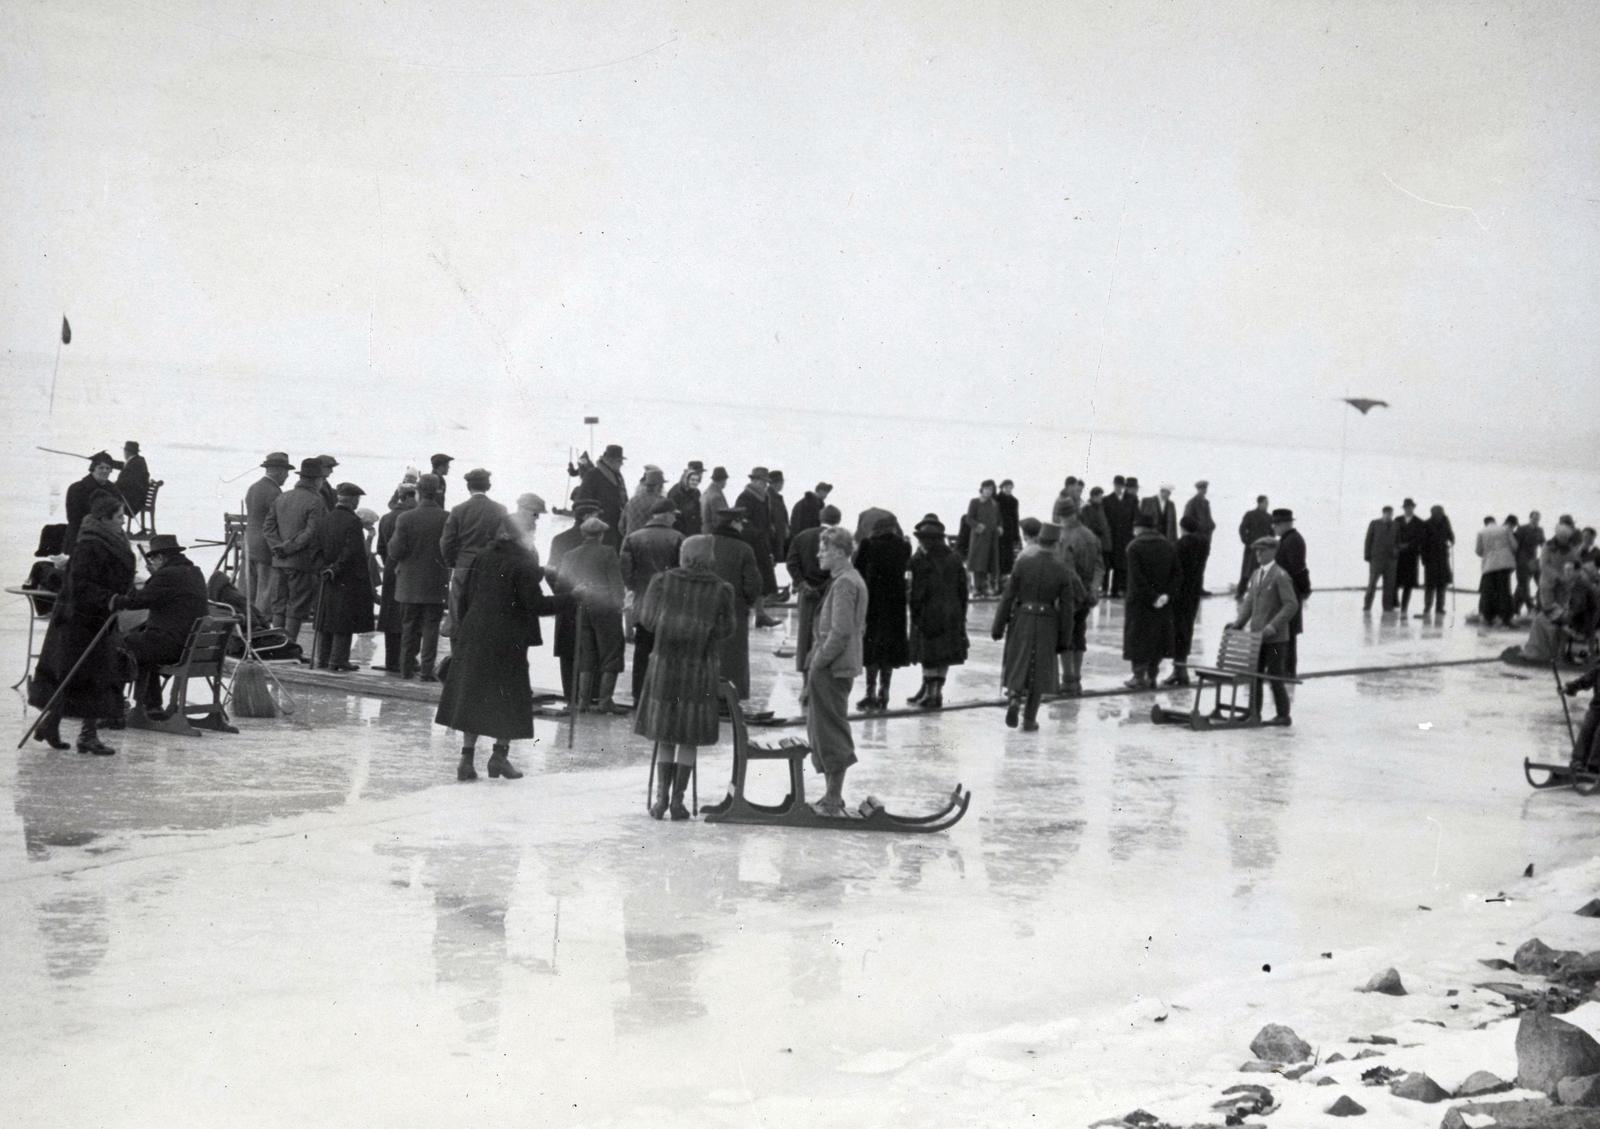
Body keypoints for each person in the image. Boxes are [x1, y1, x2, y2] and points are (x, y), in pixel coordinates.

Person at [435, 513, 563, 781]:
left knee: (473, 693)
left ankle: (466, 760)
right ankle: (499, 757)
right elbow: (536, 605)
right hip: (507, 640)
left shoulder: (482, 556)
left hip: (474, 634)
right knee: (510, 697)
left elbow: (465, 596)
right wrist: (571, 599)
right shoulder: (524, 562)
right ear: (524, 534)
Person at [636, 534, 737, 820]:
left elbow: (648, 620)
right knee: (689, 738)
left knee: (665, 735)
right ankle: (678, 801)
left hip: (665, 667)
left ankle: (660, 801)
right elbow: (726, 629)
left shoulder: (662, 582)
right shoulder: (721, 589)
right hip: (699, 668)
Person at [28, 493, 138, 755]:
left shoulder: (113, 539)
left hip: (97, 619)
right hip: (80, 623)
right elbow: (80, 585)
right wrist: (110, 598)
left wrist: (123, 594)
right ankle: (85, 735)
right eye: (120, 517)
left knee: (85, 677)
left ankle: (52, 726)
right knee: (87, 678)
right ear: (104, 518)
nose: (124, 521)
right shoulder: (90, 545)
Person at [801, 526, 868, 815]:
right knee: (827, 727)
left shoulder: (844, 584)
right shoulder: (847, 580)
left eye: (824, 549)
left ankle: (833, 795)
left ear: (840, 552)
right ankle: (831, 793)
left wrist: (818, 662)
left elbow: (840, 632)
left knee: (830, 730)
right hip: (836, 666)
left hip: (832, 667)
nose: (819, 554)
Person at [992, 519, 1078, 730]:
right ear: (1056, 543)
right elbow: (1067, 609)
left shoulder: (1023, 561)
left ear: (1039, 540)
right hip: (1048, 620)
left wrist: (998, 625)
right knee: (1040, 671)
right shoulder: (1062, 569)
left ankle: (1013, 697)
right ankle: (1029, 719)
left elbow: (1008, 596)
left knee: (1018, 660)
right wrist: (1064, 639)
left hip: (1022, 616)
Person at [117, 533, 208, 714]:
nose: (152, 564)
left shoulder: (167, 575)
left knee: (120, 645)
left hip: (172, 646)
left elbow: (135, 601)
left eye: (153, 559)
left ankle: (118, 704)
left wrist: (122, 587)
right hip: (192, 646)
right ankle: (152, 705)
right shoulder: (194, 572)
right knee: (141, 642)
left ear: (160, 557)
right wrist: (156, 577)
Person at [562, 516, 629, 713]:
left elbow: (562, 585)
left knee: (587, 653)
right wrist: (619, 605)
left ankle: (582, 701)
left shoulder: (570, 555)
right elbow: (616, 583)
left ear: (583, 534)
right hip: (605, 608)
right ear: (601, 535)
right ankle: (605, 701)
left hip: (581, 607)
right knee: (611, 653)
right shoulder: (607, 553)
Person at [620, 498, 684, 703]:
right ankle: (663, 696)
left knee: (642, 651)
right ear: (665, 515)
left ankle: (639, 695)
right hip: (669, 604)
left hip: (642, 602)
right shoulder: (679, 538)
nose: (675, 518)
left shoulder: (633, 537)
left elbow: (624, 570)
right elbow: (683, 571)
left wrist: (636, 587)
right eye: (673, 514)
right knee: (667, 652)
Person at [1232, 535, 1299, 725]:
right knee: (1254, 675)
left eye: (1262, 550)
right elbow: (1249, 602)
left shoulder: (1280, 575)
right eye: (1256, 551)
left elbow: (1291, 605)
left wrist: (1273, 626)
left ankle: (1283, 714)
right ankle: (1254, 712)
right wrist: (1239, 623)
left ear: (1272, 551)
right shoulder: (1256, 574)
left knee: (1275, 675)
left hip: (1276, 640)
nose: (1258, 554)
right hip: (1256, 637)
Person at [388, 473, 449, 680]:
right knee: (431, 628)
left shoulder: (405, 518)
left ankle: (405, 670)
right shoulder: (446, 517)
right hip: (435, 582)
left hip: (408, 583)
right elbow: (450, 551)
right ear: (438, 491)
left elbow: (395, 552)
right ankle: (426, 671)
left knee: (408, 628)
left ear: (418, 491)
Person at [907, 514, 970, 708]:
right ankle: (936, 693)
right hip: (952, 613)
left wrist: (915, 612)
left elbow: (917, 592)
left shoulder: (920, 561)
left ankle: (930, 694)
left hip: (929, 613)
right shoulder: (954, 558)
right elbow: (963, 589)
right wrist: (961, 612)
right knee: (944, 656)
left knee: (929, 656)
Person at [312, 483, 375, 672]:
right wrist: (336, 568)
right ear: (354, 500)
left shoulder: (325, 519)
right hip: (347, 577)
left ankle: (322, 659)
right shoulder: (353, 521)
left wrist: (324, 568)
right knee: (343, 620)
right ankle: (338, 660)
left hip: (326, 577)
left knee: (325, 618)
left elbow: (315, 548)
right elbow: (351, 550)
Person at [263, 457, 327, 645]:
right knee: (297, 605)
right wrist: (289, 548)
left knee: (279, 603)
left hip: (279, 560)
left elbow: (267, 527)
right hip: (301, 561)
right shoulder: (317, 501)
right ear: (317, 480)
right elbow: (312, 532)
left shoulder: (282, 496)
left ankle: (274, 644)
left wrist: (278, 548)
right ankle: (288, 645)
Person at [439, 467, 507, 635]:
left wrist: (452, 563)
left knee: (457, 615)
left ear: (469, 487)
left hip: (463, 566)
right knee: (487, 614)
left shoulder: (458, 510)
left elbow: (446, 542)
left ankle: (458, 658)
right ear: (488, 486)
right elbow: (504, 540)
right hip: (490, 568)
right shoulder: (500, 510)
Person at [853, 514, 911, 710]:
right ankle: (884, 692)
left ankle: (870, 692)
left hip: (874, 602)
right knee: (890, 647)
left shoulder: (868, 544)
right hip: (896, 604)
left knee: (873, 646)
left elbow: (857, 571)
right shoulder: (904, 546)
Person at [548, 500, 601, 703]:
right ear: (586, 517)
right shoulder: (598, 542)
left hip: (566, 602)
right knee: (591, 648)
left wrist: (562, 594)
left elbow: (550, 572)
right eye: (596, 515)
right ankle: (589, 696)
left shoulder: (559, 539)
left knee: (567, 651)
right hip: (592, 602)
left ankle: (570, 695)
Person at [707, 506, 762, 701]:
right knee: (733, 654)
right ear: (733, 523)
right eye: (740, 522)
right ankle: (729, 697)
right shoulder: (743, 548)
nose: (742, 526)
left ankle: (706, 692)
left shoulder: (704, 544)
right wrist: (747, 602)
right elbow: (752, 584)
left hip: (704, 605)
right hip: (733, 607)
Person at [1123, 511, 1179, 689]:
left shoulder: (1134, 547)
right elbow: (1177, 574)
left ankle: (1139, 676)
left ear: (1138, 527)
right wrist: (1165, 595)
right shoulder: (1168, 546)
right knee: (1157, 639)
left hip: (1140, 603)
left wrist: (1152, 597)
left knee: (1138, 638)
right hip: (1162, 603)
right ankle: (1153, 675)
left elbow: (1136, 579)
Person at [786, 503, 841, 676]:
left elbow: (791, 563)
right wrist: (824, 587)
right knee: (825, 635)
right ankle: (821, 676)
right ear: (838, 520)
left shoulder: (802, 536)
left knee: (805, 637)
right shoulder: (839, 539)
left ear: (820, 518)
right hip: (829, 593)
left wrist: (803, 585)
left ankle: (805, 679)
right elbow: (840, 567)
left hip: (807, 594)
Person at [1056, 499, 1101, 694]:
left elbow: (1068, 570)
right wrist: (1093, 590)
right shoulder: (1090, 535)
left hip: (1070, 595)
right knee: (1079, 635)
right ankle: (1077, 679)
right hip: (1088, 595)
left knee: (1066, 636)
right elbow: (1100, 566)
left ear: (1061, 515)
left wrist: (1082, 593)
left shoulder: (1065, 536)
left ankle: (1068, 680)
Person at [371, 481, 415, 672]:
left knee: (390, 616)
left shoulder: (386, 518)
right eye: (414, 496)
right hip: (408, 570)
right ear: (406, 497)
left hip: (390, 569)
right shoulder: (409, 518)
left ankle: (391, 661)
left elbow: (380, 548)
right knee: (408, 616)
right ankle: (407, 660)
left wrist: (389, 561)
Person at [244, 452, 292, 622]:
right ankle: (261, 627)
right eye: (286, 472)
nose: (287, 476)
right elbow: (278, 522)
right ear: (278, 471)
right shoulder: (274, 492)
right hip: (266, 547)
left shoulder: (254, 487)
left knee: (250, 590)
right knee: (266, 591)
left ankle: (248, 624)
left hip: (250, 544)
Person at [736, 467, 783, 627]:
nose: (765, 485)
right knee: (754, 578)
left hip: (762, 543)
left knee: (762, 579)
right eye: (764, 481)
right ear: (755, 480)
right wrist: (756, 533)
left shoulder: (763, 497)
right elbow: (742, 520)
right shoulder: (746, 497)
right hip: (751, 544)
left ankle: (760, 615)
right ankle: (757, 614)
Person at [1166, 514, 1208, 686]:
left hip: (1179, 592)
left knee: (1177, 631)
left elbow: (1173, 569)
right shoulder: (1204, 543)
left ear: (1182, 527)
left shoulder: (1179, 545)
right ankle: (1181, 670)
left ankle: (1179, 670)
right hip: (1194, 590)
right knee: (1187, 628)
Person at [1271, 508, 1310, 675]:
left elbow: (1298, 569)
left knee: (1288, 633)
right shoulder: (1289, 539)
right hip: (1287, 592)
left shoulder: (1292, 540)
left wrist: (1304, 589)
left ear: (1284, 524)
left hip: (1290, 593)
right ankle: (1284, 669)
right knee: (1285, 632)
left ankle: (1287, 670)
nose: (1274, 528)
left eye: (1276, 525)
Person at [64, 450, 123, 552]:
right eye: (101, 467)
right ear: (93, 469)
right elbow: (74, 519)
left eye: (108, 468)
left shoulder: (113, 489)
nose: (104, 471)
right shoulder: (77, 489)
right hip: (81, 538)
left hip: (108, 538)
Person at [573, 444, 629, 546]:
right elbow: (582, 504)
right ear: (610, 460)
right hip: (600, 531)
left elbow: (623, 501)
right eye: (619, 461)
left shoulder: (617, 476)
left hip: (617, 528)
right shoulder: (593, 475)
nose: (621, 464)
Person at [1476, 515, 1518, 628]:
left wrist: (1488, 554)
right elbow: (1514, 546)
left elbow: (1478, 551)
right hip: (1504, 564)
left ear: (1485, 523)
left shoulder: (1481, 532)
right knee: (1504, 592)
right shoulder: (1505, 529)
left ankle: (1488, 617)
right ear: (1495, 521)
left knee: (1489, 592)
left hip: (1489, 566)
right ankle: (1506, 618)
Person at [1563, 658, 1600, 773]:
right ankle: (1578, 761)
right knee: (1587, 727)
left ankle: (1595, 765)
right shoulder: (1598, 671)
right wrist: (1569, 688)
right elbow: (1584, 681)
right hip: (1597, 707)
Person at [966, 480, 1002, 597]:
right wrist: (977, 526)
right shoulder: (975, 502)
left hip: (992, 537)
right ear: (982, 489)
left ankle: (986, 587)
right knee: (978, 562)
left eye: (991, 489)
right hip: (979, 537)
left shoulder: (994, 504)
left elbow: (999, 518)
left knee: (989, 562)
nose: (988, 491)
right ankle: (976, 588)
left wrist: (1000, 526)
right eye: (986, 489)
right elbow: (969, 518)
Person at [1419, 503, 1455, 618]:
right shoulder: (1426, 524)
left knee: (1442, 584)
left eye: (1441, 513)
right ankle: (1428, 607)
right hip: (1431, 559)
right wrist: (1424, 560)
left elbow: (1451, 537)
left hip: (1443, 558)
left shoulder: (1445, 524)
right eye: (1438, 513)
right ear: (1433, 513)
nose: (1440, 515)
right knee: (1430, 585)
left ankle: (1439, 607)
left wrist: (1451, 539)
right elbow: (1422, 544)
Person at [1107, 475, 1141, 597]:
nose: (1119, 488)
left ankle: (1121, 589)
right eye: (1116, 485)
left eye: (1121, 485)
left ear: (1123, 486)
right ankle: (1110, 589)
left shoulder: (1132, 500)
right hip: (1113, 536)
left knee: (1123, 564)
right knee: (1112, 563)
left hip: (1127, 536)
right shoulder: (1108, 500)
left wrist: (1135, 534)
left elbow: (1136, 518)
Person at [1236, 495, 1274, 600]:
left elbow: (1272, 533)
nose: (1267, 505)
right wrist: (1247, 542)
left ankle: (1260, 594)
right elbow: (1242, 529)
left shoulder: (1269, 517)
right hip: (1251, 548)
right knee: (1246, 572)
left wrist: (1269, 544)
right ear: (1260, 503)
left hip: (1264, 549)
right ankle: (1240, 593)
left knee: (1262, 572)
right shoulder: (1250, 515)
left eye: (1267, 503)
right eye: (1265, 503)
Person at [1363, 505, 1399, 612]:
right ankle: (1367, 605)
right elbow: (1368, 540)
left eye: (1391, 514)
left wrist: (1396, 551)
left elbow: (1398, 540)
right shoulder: (1374, 524)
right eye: (1387, 514)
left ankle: (1387, 607)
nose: (1389, 516)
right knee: (1372, 583)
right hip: (1376, 559)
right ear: (1383, 513)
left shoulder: (1396, 525)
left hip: (1391, 560)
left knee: (1389, 585)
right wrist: (1367, 555)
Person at [1182, 480, 1216, 589]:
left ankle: (1199, 587)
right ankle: (1192, 588)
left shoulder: (1206, 503)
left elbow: (1209, 519)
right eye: (1202, 488)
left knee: (1202, 563)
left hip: (1205, 539)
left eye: (1205, 488)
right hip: (1195, 539)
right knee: (1193, 564)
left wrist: (1212, 525)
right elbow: (1186, 521)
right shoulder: (1191, 503)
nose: (1204, 490)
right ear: (1198, 489)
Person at [620, 465, 667, 538]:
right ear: (658, 486)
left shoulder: (632, 501)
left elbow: (621, 526)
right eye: (662, 485)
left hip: (629, 544)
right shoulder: (661, 503)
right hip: (649, 544)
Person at [1394, 498, 1424, 613]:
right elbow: (1393, 535)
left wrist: (1409, 545)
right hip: (1398, 556)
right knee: (1395, 581)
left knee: (1408, 583)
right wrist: (1398, 545)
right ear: (1404, 508)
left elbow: (1420, 539)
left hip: (1411, 556)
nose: (1408, 509)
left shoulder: (1419, 522)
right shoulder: (1397, 520)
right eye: (1406, 507)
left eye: (1410, 507)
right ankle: (1395, 602)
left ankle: (1404, 606)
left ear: (1413, 508)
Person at [1082, 485, 1112, 596]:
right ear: (1094, 496)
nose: (1101, 498)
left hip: (1104, 543)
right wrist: (1099, 530)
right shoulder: (1087, 508)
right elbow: (1088, 525)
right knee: (1095, 567)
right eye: (1099, 496)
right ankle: (1094, 589)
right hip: (1095, 542)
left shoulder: (1100, 507)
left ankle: (1103, 588)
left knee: (1105, 566)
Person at [1515, 510, 1546, 615]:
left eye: (1538, 518)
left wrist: (1545, 557)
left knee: (1540, 583)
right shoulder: (1522, 529)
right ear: (1530, 518)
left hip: (1534, 560)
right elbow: (1516, 546)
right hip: (1522, 560)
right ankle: (1530, 607)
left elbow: (1544, 545)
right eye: (1534, 518)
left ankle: (1516, 607)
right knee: (1523, 585)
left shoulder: (1540, 530)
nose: (1536, 520)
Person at [668, 461, 705, 538]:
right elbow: (673, 516)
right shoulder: (675, 493)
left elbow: (698, 514)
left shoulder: (696, 492)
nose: (695, 482)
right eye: (692, 479)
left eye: (697, 480)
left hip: (694, 533)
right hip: (679, 534)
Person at [996, 479, 1022, 583]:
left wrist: (1017, 534)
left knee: (1008, 556)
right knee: (999, 556)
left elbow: (1016, 517)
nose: (1008, 490)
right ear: (1002, 487)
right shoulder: (997, 499)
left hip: (1010, 530)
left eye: (1010, 488)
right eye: (1006, 487)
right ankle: (998, 579)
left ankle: (1005, 579)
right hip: (999, 530)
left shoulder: (1014, 501)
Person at [115, 440, 149, 518]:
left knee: (104, 501)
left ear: (126, 452)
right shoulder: (137, 460)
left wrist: (111, 485)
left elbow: (125, 482)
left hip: (132, 502)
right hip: (136, 499)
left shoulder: (134, 463)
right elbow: (122, 465)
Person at [768, 470, 791, 561]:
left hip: (779, 535)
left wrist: (786, 526)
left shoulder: (776, 497)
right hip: (775, 537)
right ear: (778, 483)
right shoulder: (769, 496)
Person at [699, 465, 730, 533]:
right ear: (723, 480)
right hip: (714, 533)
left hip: (705, 531)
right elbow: (718, 520)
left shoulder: (706, 492)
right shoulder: (716, 496)